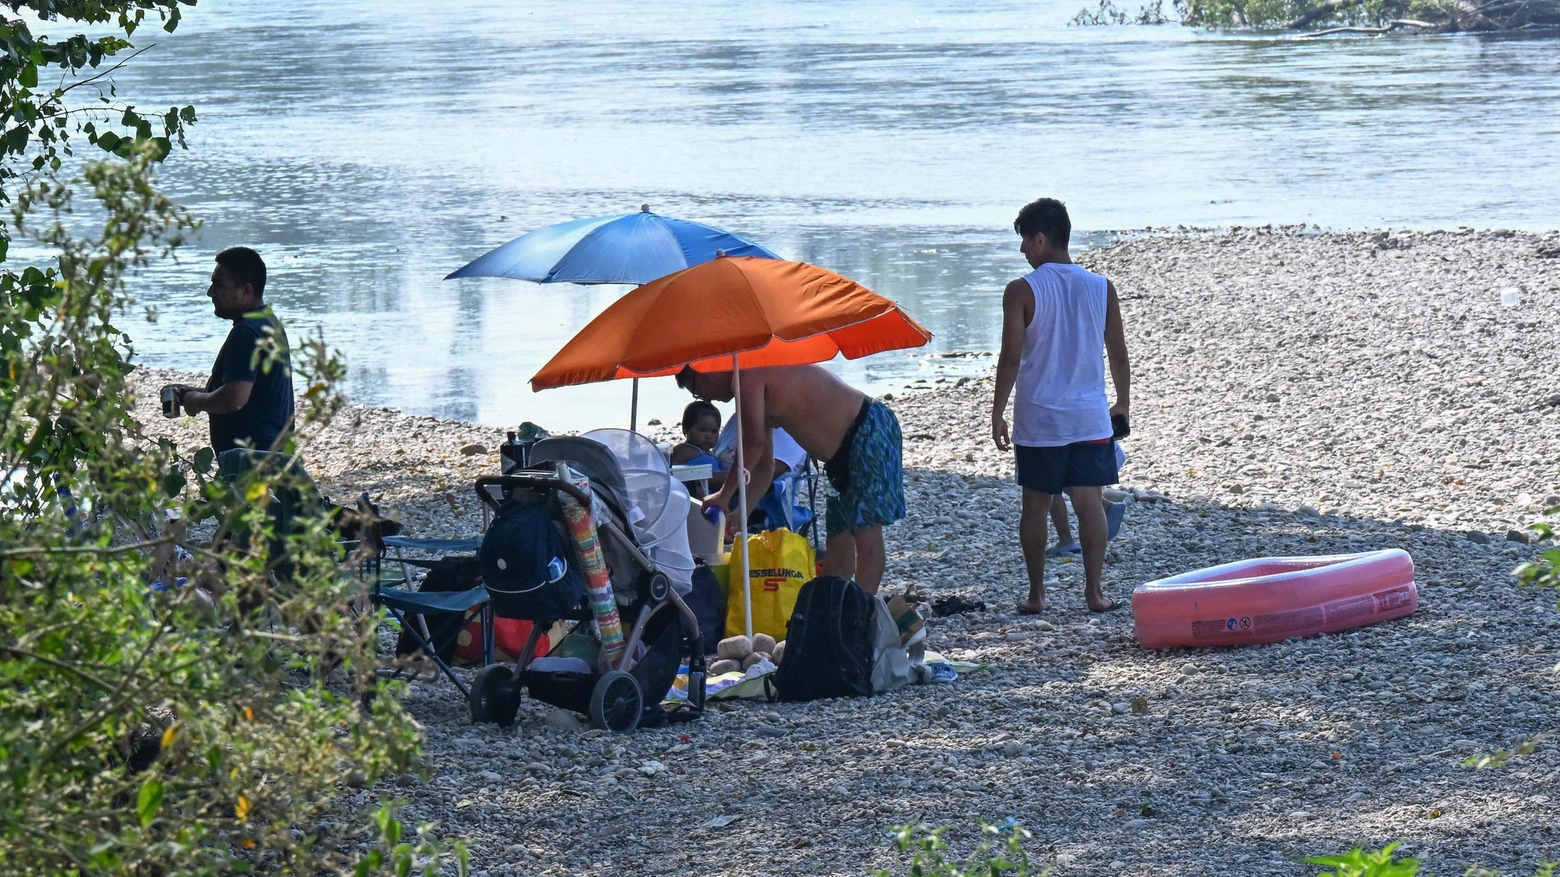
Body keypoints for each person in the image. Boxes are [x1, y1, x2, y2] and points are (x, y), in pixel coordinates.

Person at [991, 198, 1130, 615]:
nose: (1022, 252)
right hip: (1089, 416)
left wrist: (997, 410)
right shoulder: (1101, 287)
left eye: (1024, 242)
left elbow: (1010, 358)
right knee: (1090, 503)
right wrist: (1123, 402)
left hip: (1040, 418)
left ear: (1041, 238)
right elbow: (1118, 354)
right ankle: (1094, 592)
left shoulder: (1022, 290)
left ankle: (1037, 595)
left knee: (1035, 505)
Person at [677, 363, 904, 594]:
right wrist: (742, 513)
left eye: (697, 389)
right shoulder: (745, 392)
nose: (705, 399)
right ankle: (837, 611)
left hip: (866, 429)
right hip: (837, 458)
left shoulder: (747, 371)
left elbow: (753, 443)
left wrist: (724, 495)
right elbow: (765, 466)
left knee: (866, 532)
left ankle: (864, 615)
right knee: (838, 537)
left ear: (703, 367)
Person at [163, 247, 294, 453]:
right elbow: (249, 394)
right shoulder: (267, 323)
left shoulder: (247, 333)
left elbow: (234, 399)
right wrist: (193, 393)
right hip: (271, 454)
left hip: (252, 460)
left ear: (246, 291)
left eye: (218, 284)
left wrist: (197, 401)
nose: (210, 292)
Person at [1047, 443, 1128, 556]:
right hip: (1099, 445)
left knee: (1050, 484)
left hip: (1063, 440)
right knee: (1073, 483)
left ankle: (1065, 539)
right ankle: (1103, 505)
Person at [670, 400, 722, 468]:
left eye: (714, 431)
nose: (709, 436)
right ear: (686, 429)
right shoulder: (683, 450)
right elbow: (671, 471)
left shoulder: (709, 453)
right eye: (702, 430)